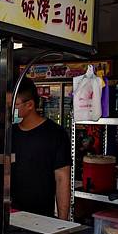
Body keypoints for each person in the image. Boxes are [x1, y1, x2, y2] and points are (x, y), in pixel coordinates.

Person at [10, 77, 72, 220]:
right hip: (9, 216)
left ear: (30, 105)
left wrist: (62, 222)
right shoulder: (8, 133)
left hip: (41, 218)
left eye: (14, 104)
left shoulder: (56, 134)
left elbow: (62, 179)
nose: (10, 109)